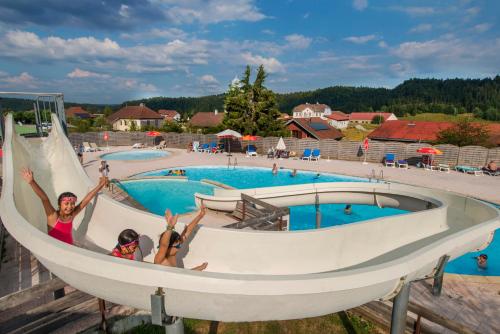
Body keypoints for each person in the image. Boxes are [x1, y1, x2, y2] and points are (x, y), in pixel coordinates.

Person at [20, 168, 106, 245]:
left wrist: (100, 185)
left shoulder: (72, 215)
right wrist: (32, 182)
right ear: (59, 205)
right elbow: (45, 199)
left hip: (70, 247)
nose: (70, 207)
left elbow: (85, 201)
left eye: (72, 204)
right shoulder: (53, 217)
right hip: (57, 252)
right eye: (66, 204)